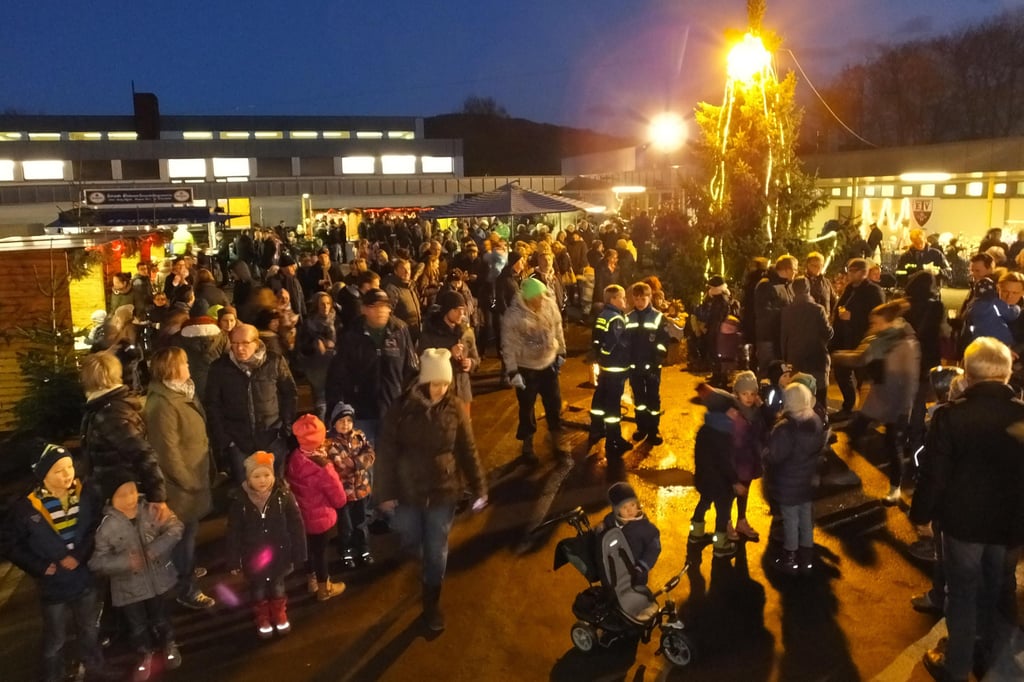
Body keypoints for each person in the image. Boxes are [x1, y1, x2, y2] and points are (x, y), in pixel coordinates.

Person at [910, 338, 1024, 681]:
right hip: (1009, 525)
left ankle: (956, 664)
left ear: (969, 374)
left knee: (961, 592)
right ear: (1005, 374)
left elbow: (934, 473)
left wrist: (921, 516)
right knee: (999, 587)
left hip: (963, 523)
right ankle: (994, 656)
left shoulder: (951, 416)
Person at [375, 348, 487, 632]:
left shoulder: (455, 408)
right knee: (410, 536)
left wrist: (479, 486)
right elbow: (386, 451)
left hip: (444, 489)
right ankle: (423, 562)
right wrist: (384, 493)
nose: (441, 389)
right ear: (424, 381)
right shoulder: (400, 409)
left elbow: (467, 449)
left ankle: (431, 604)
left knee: (437, 549)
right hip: (408, 488)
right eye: (436, 383)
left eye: (446, 383)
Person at [4, 445, 112, 682]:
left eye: (69, 467)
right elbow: (11, 544)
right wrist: (38, 566)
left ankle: (94, 665)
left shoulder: (86, 495)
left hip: (84, 579)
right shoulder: (26, 507)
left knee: (89, 628)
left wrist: (80, 555)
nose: (67, 475)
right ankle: (53, 675)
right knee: (55, 637)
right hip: (52, 586)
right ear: (42, 475)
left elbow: (97, 527)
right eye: (58, 471)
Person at [142, 347, 216, 611]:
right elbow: (167, 452)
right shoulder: (162, 404)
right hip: (181, 486)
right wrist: (190, 481)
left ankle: (187, 572)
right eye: (184, 363)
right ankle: (187, 589)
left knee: (189, 536)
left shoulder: (182, 392)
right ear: (170, 368)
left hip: (192, 479)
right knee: (182, 539)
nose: (188, 366)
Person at [89, 475, 183, 681]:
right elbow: (96, 562)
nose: (130, 498)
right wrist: (125, 562)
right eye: (122, 495)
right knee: (137, 625)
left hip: (158, 581)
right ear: (110, 498)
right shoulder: (107, 526)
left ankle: (169, 643)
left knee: (161, 617)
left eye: (132, 491)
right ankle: (144, 653)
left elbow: (176, 527)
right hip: (128, 589)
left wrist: (156, 548)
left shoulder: (151, 510)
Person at [832, 300, 921, 504]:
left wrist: (902, 409)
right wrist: (838, 356)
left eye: (877, 323)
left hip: (897, 403)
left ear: (890, 322)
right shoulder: (879, 340)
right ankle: (849, 470)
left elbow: (909, 381)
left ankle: (895, 489)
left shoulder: (905, 344)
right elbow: (861, 358)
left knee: (893, 446)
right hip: (879, 398)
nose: (873, 327)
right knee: (854, 431)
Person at [226, 451, 307, 639]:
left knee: (278, 585)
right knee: (258, 588)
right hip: (253, 556)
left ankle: (279, 612)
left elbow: (296, 524)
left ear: (273, 475)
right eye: (256, 476)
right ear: (248, 478)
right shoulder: (240, 502)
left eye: (266, 475)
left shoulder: (284, 496)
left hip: (280, 553)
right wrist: (234, 560)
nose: (262, 480)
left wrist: (299, 551)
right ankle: (262, 615)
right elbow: (233, 533)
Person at [325, 288, 418, 446]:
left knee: (389, 461)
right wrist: (337, 408)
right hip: (361, 412)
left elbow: (412, 369)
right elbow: (337, 375)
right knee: (363, 461)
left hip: (393, 411)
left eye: (384, 306)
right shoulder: (351, 336)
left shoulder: (400, 330)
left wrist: (406, 402)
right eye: (374, 306)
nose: (380, 310)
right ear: (364, 309)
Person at [206, 323, 298, 483]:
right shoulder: (220, 368)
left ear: (256, 343)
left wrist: (286, 427)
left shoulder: (274, 361)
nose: (239, 348)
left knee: (276, 487)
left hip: (272, 438)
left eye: (244, 343)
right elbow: (213, 405)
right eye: (234, 343)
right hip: (239, 442)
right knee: (245, 489)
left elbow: (289, 393)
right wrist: (225, 439)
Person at [79, 353, 168, 509]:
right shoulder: (103, 407)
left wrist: (157, 498)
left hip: (120, 497)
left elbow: (142, 453)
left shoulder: (110, 414)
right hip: (115, 493)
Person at [501, 277, 569, 462]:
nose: (541, 299)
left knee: (554, 403)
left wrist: (561, 350)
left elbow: (557, 326)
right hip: (526, 367)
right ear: (529, 297)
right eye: (538, 296)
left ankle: (557, 440)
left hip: (548, 363)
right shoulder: (513, 316)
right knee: (527, 407)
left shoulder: (549, 305)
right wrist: (513, 371)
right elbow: (508, 345)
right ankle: (527, 444)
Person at [764, 381, 826, 574]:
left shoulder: (785, 429)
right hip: (807, 483)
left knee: (791, 521)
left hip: (787, 485)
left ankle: (790, 558)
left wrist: (765, 452)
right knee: (806, 518)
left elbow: (774, 456)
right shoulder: (816, 421)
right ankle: (807, 558)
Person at [286, 414, 348, 602]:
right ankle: (324, 587)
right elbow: (339, 499)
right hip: (321, 519)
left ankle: (311, 579)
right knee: (320, 553)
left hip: (302, 516)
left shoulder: (295, 457)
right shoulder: (323, 467)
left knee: (308, 550)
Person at [688, 383, 741, 558]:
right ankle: (721, 544)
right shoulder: (724, 434)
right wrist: (735, 481)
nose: (737, 413)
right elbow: (726, 462)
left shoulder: (706, 428)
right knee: (723, 512)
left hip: (705, 479)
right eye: (734, 410)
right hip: (721, 484)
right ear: (723, 412)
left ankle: (696, 533)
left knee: (703, 503)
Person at [831, 258, 885, 418]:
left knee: (864, 378)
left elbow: (878, 316)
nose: (849, 274)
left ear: (863, 272)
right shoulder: (849, 289)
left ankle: (866, 412)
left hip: (862, 341)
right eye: (849, 270)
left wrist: (852, 317)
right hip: (844, 340)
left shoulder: (873, 291)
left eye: (853, 271)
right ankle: (849, 405)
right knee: (842, 372)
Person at [326, 403, 376, 569]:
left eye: (348, 420)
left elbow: (370, 454)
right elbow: (338, 465)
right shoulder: (331, 443)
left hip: (361, 489)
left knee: (361, 522)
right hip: (344, 493)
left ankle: (364, 549)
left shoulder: (359, 436)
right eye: (341, 421)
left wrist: (355, 462)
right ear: (334, 423)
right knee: (345, 525)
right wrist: (356, 463)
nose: (345, 424)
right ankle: (346, 551)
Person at [626, 281, 676, 446]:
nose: (639, 302)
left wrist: (657, 359)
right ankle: (642, 427)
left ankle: (654, 430)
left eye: (643, 298)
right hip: (635, 366)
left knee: (653, 399)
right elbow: (625, 342)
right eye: (637, 299)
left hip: (653, 367)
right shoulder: (629, 318)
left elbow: (663, 341)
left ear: (649, 298)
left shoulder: (657, 317)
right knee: (639, 399)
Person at [589, 285, 631, 458]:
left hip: (606, 367)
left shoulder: (603, 315)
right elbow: (615, 343)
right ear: (613, 299)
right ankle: (614, 440)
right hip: (616, 367)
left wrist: (601, 357)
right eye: (622, 297)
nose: (625, 301)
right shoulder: (617, 320)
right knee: (613, 405)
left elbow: (597, 340)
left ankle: (596, 429)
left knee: (600, 398)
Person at [418, 290, 480, 406]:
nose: (460, 314)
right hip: (441, 396)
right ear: (446, 310)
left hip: (463, 393)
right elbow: (423, 362)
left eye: (463, 310)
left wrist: (471, 363)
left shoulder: (466, 332)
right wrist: (449, 353)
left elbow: (476, 358)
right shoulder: (431, 333)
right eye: (456, 310)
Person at [780, 277, 833, 407]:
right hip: (816, 358)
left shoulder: (787, 311)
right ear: (808, 290)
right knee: (819, 395)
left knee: (799, 394)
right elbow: (828, 333)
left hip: (796, 359)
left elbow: (783, 337)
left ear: (793, 291)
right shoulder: (818, 309)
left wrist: (786, 359)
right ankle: (820, 421)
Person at [729, 371, 766, 542]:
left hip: (749, 460)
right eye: (745, 393)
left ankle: (741, 520)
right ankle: (726, 522)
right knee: (730, 493)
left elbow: (762, 431)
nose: (749, 397)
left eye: (752, 393)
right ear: (737, 393)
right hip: (734, 461)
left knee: (744, 492)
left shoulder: (756, 412)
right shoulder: (731, 412)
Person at [601, 482, 661, 585]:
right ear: (616, 510)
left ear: (637, 505)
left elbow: (653, 549)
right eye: (624, 507)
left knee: (635, 596)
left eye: (632, 505)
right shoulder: (610, 522)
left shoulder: (646, 528)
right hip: (615, 573)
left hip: (637, 573)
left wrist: (642, 566)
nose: (630, 510)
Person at [297, 292, 337, 420]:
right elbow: (301, 347)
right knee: (321, 403)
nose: (325, 307)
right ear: (316, 306)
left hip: (335, 366)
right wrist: (315, 344)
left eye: (328, 303)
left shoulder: (338, 321)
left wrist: (335, 346)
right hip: (317, 368)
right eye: (322, 304)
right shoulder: (309, 324)